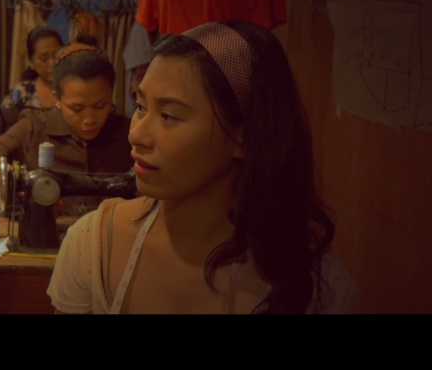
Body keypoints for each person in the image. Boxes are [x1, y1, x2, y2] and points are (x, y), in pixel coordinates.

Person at [47, 20, 358, 314]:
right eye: (141, 106)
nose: (136, 135)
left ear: (243, 137)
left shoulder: (314, 282)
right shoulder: (94, 246)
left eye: (169, 116)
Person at [0, 42, 134, 220]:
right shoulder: (35, 127)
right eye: (77, 108)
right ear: (57, 98)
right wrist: (15, 180)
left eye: (101, 105)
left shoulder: (130, 133)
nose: (89, 119)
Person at [0, 25, 63, 130]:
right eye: (44, 58)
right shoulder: (21, 93)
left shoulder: (73, 88)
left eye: (56, 55)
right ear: (31, 62)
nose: (52, 63)